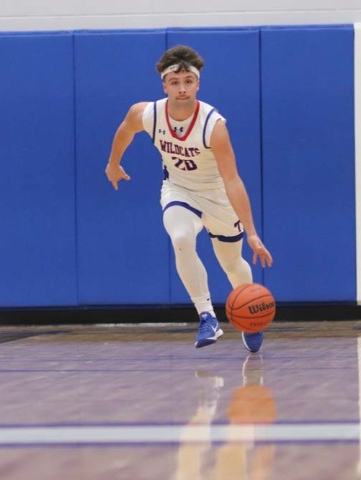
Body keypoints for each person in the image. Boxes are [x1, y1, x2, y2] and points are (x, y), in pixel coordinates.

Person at [105, 45, 273, 352]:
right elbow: (125, 130)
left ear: (197, 84)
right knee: (181, 237)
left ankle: (251, 316)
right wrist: (113, 164)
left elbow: (232, 179)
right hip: (179, 190)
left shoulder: (213, 125)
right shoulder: (146, 114)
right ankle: (206, 316)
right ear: (164, 86)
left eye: (187, 81)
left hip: (217, 196)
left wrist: (251, 232)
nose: (181, 88)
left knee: (231, 263)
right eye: (175, 82)